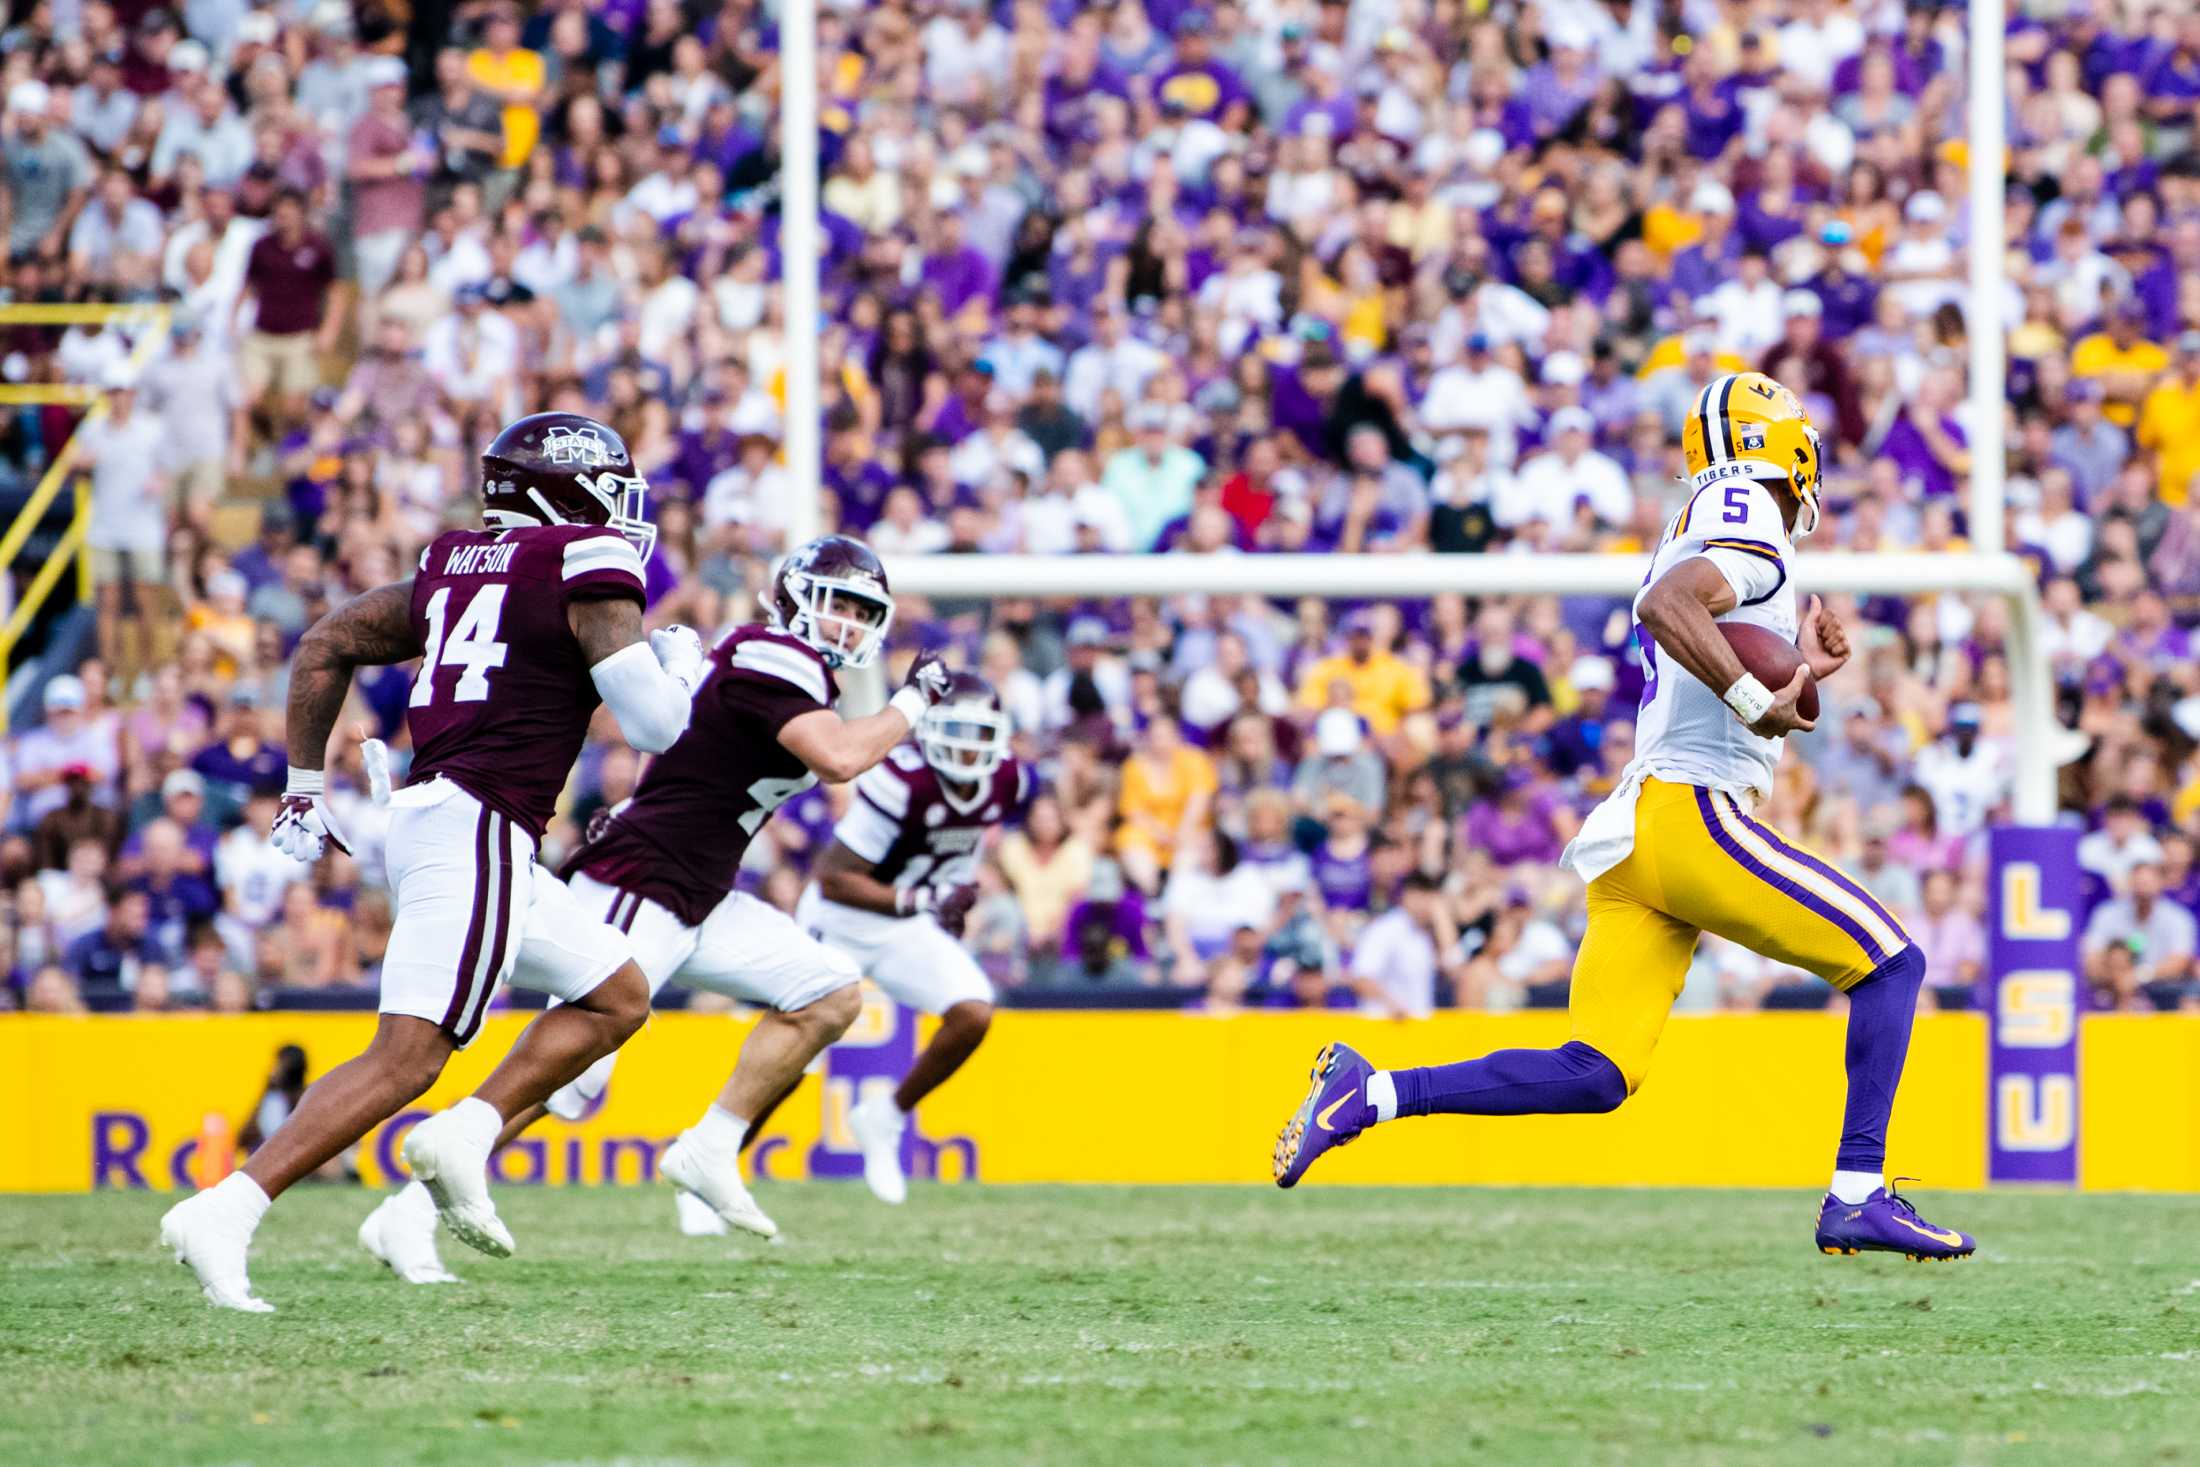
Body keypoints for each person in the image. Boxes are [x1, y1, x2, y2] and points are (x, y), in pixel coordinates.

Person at [1271, 372, 1975, 1261]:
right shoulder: (1745, 500)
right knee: (1891, 963)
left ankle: (1369, 1092)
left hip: (1642, 832)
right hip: (1690, 815)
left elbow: (1700, 638)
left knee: (1596, 1071)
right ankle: (1858, 1191)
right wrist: (1763, 688)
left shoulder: (1705, 520)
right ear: (1783, 446)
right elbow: (1671, 606)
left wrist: (1800, 670)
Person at [158, 413, 701, 1312]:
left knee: (617, 992)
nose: (618, 500)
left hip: (449, 816)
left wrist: (303, 787)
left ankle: (469, 1132)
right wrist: (677, 667)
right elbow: (657, 728)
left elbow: (326, 638)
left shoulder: (458, 560)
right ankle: (227, 1208)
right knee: (406, 1058)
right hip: (479, 823)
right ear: (560, 491)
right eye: (605, 481)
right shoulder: (586, 563)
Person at [360, 536, 953, 1278]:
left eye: (865, 612)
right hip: (642, 882)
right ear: (796, 596)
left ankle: (710, 1146)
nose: (848, 625)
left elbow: (684, 743)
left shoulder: (786, 668)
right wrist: (912, 701)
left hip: (697, 891)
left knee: (829, 992)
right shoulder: (775, 653)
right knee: (567, 1079)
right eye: (839, 605)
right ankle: (405, 1214)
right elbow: (838, 758)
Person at [796, 674, 1026, 1204]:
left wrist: (954, 890)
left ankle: (887, 1115)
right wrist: (927, 900)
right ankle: (719, 1157)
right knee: (789, 1062)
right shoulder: (901, 780)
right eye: (957, 730)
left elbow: (962, 843)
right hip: (840, 922)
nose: (968, 747)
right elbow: (833, 880)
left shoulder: (1005, 778)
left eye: (979, 732)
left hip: (906, 924)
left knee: (972, 1012)